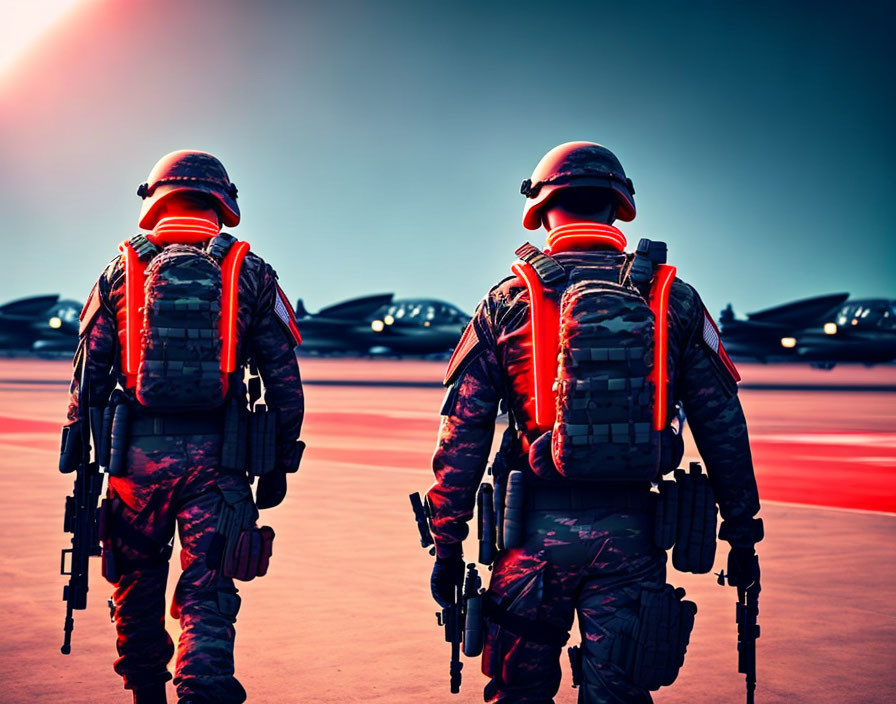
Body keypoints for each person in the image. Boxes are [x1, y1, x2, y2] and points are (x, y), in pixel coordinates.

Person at [426, 142, 762, 703]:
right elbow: (722, 423)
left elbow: (463, 437)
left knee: (519, 694)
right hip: (633, 542)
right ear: (617, 206)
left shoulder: (507, 301)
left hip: (530, 541)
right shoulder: (673, 300)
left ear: (542, 210)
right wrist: (742, 529)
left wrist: (447, 542)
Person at [64, 150, 305, 704]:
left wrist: (86, 463)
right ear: (222, 202)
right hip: (219, 465)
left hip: (134, 464)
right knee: (208, 596)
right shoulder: (251, 272)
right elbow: (284, 381)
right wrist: (279, 462)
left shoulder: (121, 269)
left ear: (157, 200)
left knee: (136, 582)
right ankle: (203, 690)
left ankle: (146, 691)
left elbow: (88, 379)